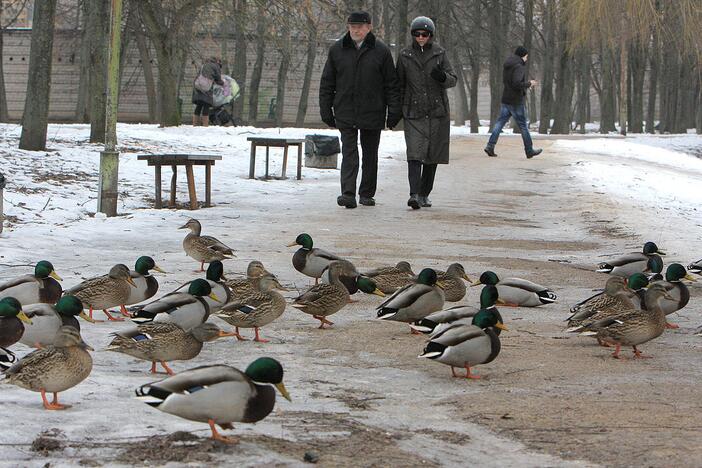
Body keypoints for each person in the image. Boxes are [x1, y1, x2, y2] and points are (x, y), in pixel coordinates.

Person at [319, 11, 401, 209]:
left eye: (360, 26)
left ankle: (366, 193)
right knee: (349, 152)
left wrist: (394, 113)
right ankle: (348, 193)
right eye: (352, 26)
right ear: (348, 27)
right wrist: (326, 110)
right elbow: (327, 82)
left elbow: (391, 84)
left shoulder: (380, 51)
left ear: (369, 27)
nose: (356, 30)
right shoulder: (337, 50)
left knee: (370, 153)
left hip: (373, 110)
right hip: (345, 109)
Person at [396, 16, 457, 210]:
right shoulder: (405, 55)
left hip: (437, 111)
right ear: (413, 35)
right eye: (417, 34)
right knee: (414, 152)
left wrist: (442, 77)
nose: (421, 37)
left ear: (430, 35)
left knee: (433, 154)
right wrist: (397, 109)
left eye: (425, 34)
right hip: (413, 111)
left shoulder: (440, 53)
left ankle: (424, 193)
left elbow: (453, 79)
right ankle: (414, 193)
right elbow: (399, 84)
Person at [484, 46, 542, 159]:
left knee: (499, 123)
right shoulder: (519, 66)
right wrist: (529, 83)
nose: (526, 58)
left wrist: (524, 85)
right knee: (523, 126)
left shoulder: (508, 65)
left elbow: (509, 82)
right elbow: (516, 83)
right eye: (526, 56)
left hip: (506, 98)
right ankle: (529, 150)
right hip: (516, 101)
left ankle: (490, 146)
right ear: (522, 55)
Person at [191, 57, 224, 127]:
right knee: (206, 105)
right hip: (206, 88)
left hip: (197, 87)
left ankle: (195, 125)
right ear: (217, 62)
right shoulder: (215, 66)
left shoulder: (204, 64)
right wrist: (223, 83)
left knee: (199, 106)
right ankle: (205, 126)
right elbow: (218, 79)